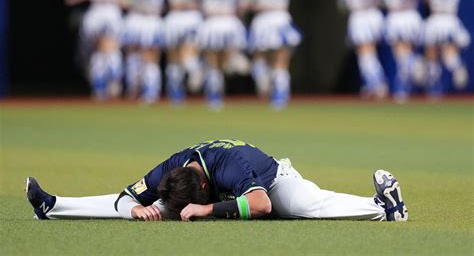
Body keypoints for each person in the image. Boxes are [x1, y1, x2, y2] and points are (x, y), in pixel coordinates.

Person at [26, 139, 407, 222]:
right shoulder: (172, 169)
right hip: (216, 191)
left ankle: (385, 207)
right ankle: (53, 206)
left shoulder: (231, 166)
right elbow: (128, 193)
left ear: (207, 187)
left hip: (271, 180)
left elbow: (262, 205)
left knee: (304, 206)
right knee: (137, 210)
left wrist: (208, 209)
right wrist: (139, 208)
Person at [137, 0, 207, 104]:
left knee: (187, 54)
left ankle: (195, 70)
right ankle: (176, 95)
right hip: (174, 18)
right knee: (173, 58)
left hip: (191, 17)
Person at [241, 0, 303, 109]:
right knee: (281, 62)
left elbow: (244, 5)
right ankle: (280, 97)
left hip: (262, 22)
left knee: (260, 60)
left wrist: (256, 5)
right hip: (281, 20)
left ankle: (264, 86)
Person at [197, 0, 248, 109]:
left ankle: (214, 98)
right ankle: (235, 58)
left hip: (212, 24)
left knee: (212, 64)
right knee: (224, 63)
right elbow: (242, 8)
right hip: (230, 23)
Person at [338, 0, 387, 98]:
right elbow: (384, 2)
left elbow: (342, 6)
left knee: (365, 53)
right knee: (369, 52)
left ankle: (376, 83)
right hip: (374, 15)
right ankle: (370, 85)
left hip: (358, 17)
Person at [121, 0, 165, 104]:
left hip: (151, 22)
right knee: (134, 57)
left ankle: (150, 92)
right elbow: (123, 2)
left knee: (151, 59)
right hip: (136, 21)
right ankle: (134, 89)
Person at [383, 0, 424, 102]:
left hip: (397, 19)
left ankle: (414, 63)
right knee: (404, 56)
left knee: (401, 57)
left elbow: (386, 2)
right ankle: (402, 91)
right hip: (412, 18)